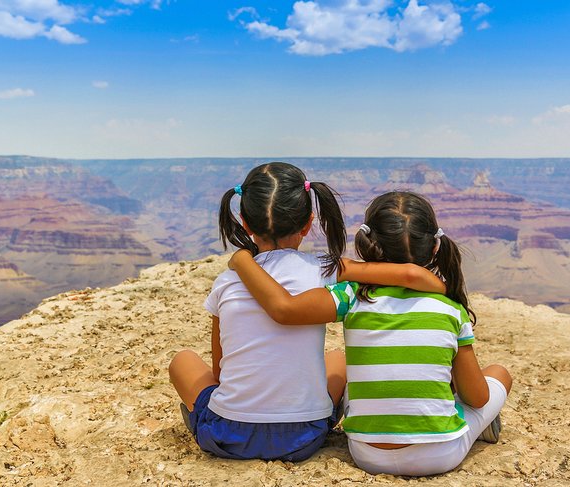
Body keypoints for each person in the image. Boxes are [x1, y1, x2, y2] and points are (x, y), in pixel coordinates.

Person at [168, 164, 445, 462]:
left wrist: (239, 261)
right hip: (304, 437)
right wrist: (440, 288)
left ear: (245, 223)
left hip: (228, 436)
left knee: (182, 361)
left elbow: (221, 373)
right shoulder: (325, 270)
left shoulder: (226, 283)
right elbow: (409, 275)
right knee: (337, 358)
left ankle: (203, 421)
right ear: (308, 222)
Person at [228, 191, 513, 476]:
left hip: (367, 453)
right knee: (499, 374)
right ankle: (469, 425)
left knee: (349, 373)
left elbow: (287, 309)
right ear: (435, 247)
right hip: (439, 455)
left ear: (368, 244)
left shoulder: (350, 296)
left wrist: (242, 260)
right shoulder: (450, 308)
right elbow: (477, 398)